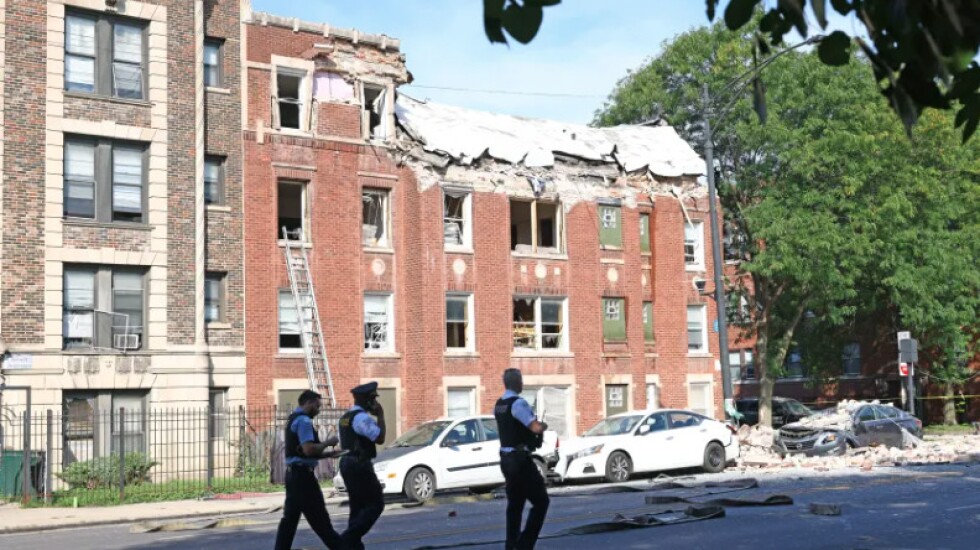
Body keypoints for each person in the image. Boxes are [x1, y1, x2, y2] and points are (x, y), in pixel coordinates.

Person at [274, 390, 346, 550]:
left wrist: (328, 454)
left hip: (293, 475)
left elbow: (302, 453)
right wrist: (328, 443)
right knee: (321, 521)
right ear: (309, 402)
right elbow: (308, 450)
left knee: (289, 521)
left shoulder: (293, 418)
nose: (318, 410)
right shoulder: (304, 421)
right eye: (317, 406)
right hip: (303, 479)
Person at [494, 368, 550, 550]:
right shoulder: (518, 404)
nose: (522, 383)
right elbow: (534, 427)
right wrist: (543, 426)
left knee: (515, 505)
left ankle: (511, 545)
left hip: (506, 460)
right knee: (541, 502)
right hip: (520, 461)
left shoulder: (499, 404)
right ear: (517, 382)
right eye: (521, 380)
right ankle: (525, 544)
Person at [338, 382, 387, 550]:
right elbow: (379, 437)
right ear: (368, 400)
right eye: (373, 399)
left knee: (357, 507)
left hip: (347, 463)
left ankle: (353, 546)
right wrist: (380, 415)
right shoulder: (361, 418)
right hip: (359, 464)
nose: (375, 403)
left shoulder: (346, 417)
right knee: (376, 504)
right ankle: (345, 540)